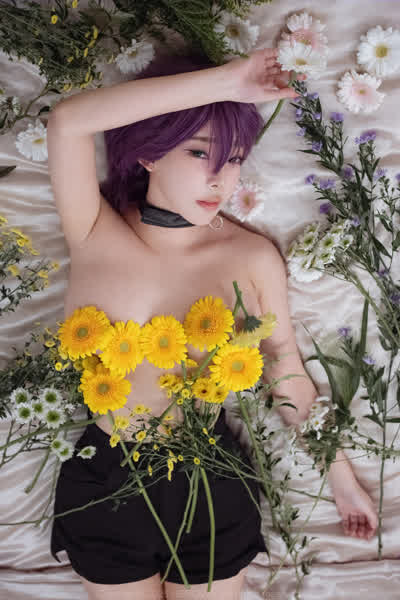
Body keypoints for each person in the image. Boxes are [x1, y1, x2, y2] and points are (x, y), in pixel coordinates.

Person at [46, 47, 378, 600]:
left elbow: (288, 375)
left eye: (235, 158)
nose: (220, 179)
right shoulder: (94, 231)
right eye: (200, 152)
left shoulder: (250, 257)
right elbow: (67, 121)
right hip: (105, 476)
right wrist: (230, 83)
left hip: (210, 475)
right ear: (148, 153)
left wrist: (340, 480)